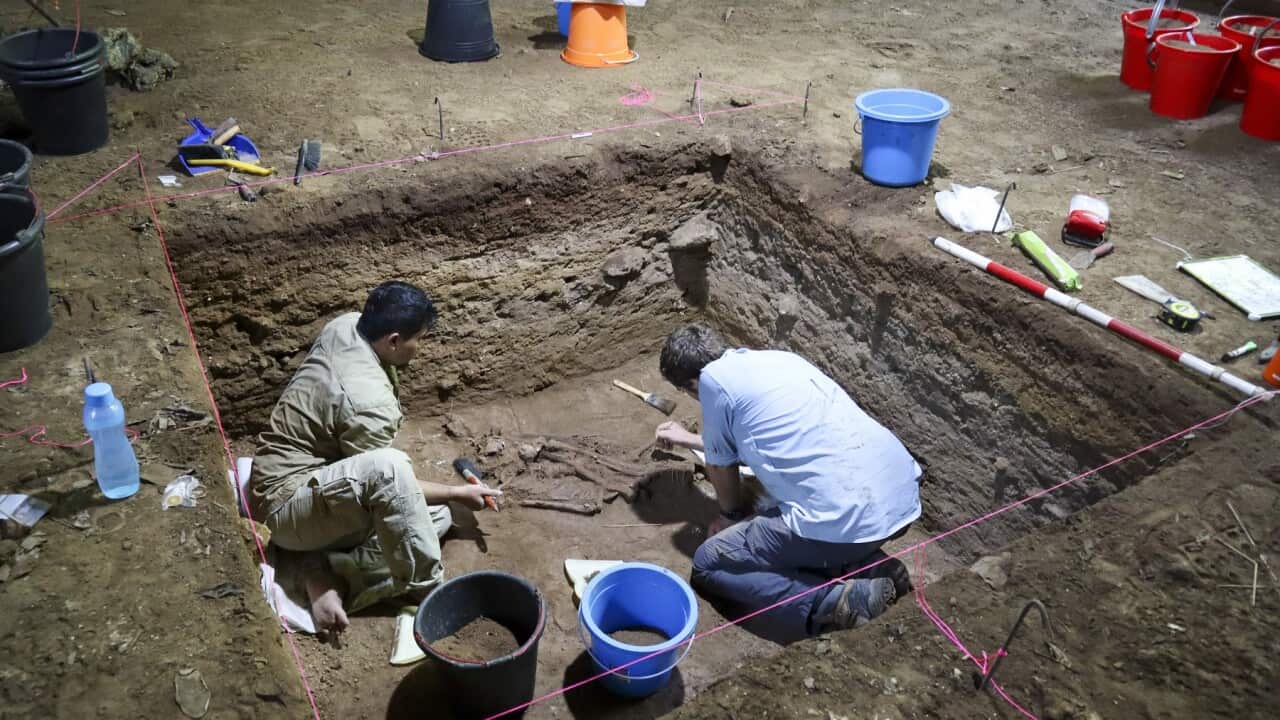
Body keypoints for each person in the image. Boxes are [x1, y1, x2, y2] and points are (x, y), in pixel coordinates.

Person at [250, 281, 501, 637]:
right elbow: (382, 482)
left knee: (437, 516)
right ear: (394, 340)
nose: (421, 347)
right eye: (419, 339)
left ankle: (316, 567)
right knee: (393, 470)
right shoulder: (370, 405)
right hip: (283, 505)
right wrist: (455, 490)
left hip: (283, 472)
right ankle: (421, 590)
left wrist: (451, 497)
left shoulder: (349, 324)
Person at [654, 324, 920, 643]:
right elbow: (762, 440)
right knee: (782, 508)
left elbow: (720, 464)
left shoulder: (712, 382)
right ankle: (872, 567)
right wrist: (688, 439)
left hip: (847, 519)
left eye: (687, 392)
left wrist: (730, 516)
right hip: (899, 499)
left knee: (710, 562)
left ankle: (835, 603)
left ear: (693, 383)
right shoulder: (778, 361)